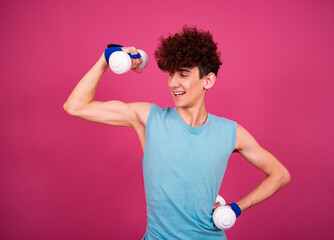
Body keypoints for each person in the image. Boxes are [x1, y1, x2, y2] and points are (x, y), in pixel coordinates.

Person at [63, 25, 291, 240]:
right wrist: (107, 58)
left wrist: (237, 208)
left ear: (208, 81)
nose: (173, 83)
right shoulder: (148, 119)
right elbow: (75, 106)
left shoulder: (230, 132)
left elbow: (280, 174)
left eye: (183, 74)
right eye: (171, 75)